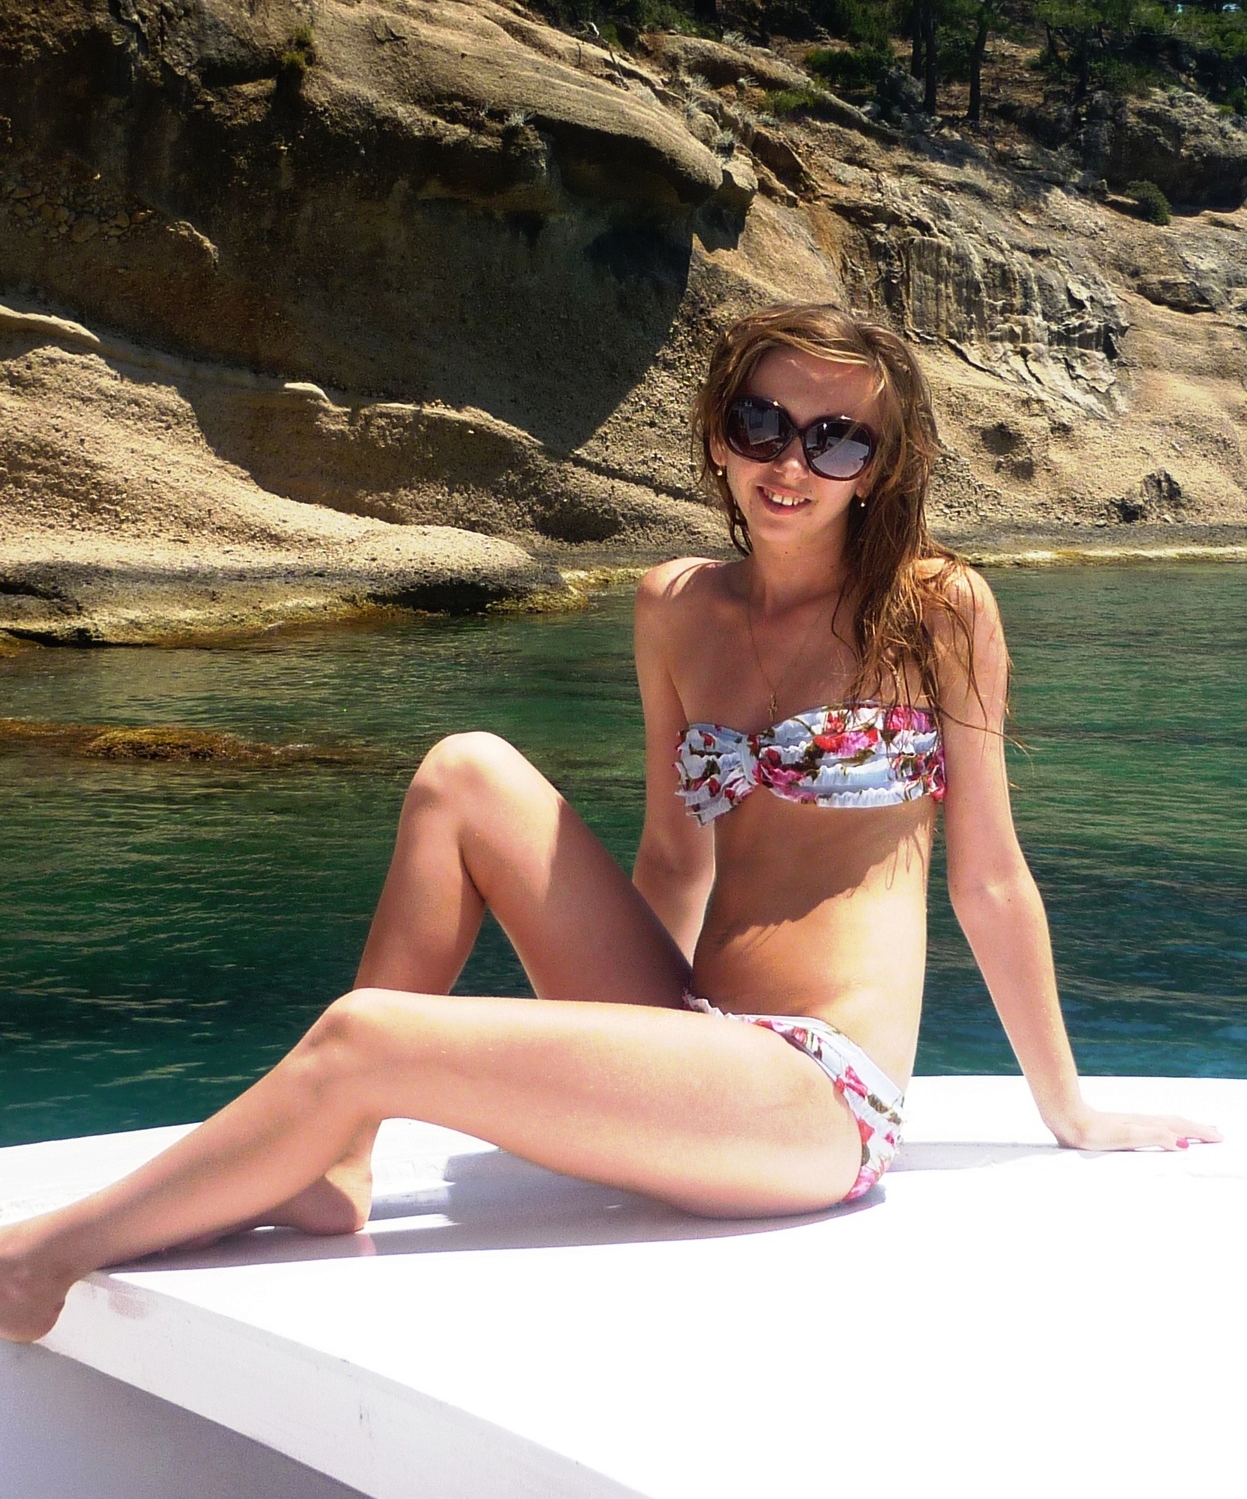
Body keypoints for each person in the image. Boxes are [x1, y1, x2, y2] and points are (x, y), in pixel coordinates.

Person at [0, 302, 1219, 1342]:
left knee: (366, 1034)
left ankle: (37, 1259)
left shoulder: (937, 608)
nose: (789, 462)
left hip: (813, 1097)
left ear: (879, 465)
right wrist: (628, 1052)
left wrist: (1067, 1109)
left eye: (836, 438)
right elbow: (673, 855)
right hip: (698, 1038)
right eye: (761, 423)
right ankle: (337, 1161)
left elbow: (988, 878)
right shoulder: (672, 604)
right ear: (717, 431)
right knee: (463, 770)